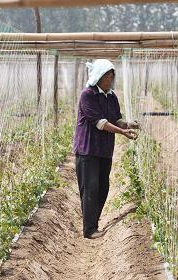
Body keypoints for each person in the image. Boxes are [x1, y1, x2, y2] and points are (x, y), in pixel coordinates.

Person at [73, 59, 139, 239]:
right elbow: (100, 123)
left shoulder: (111, 96)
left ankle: (94, 222)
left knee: (103, 187)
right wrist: (123, 132)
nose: (110, 79)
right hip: (87, 149)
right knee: (90, 188)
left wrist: (127, 124)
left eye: (112, 76)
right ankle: (89, 229)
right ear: (98, 77)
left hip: (104, 149)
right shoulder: (88, 95)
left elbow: (115, 118)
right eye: (107, 76)